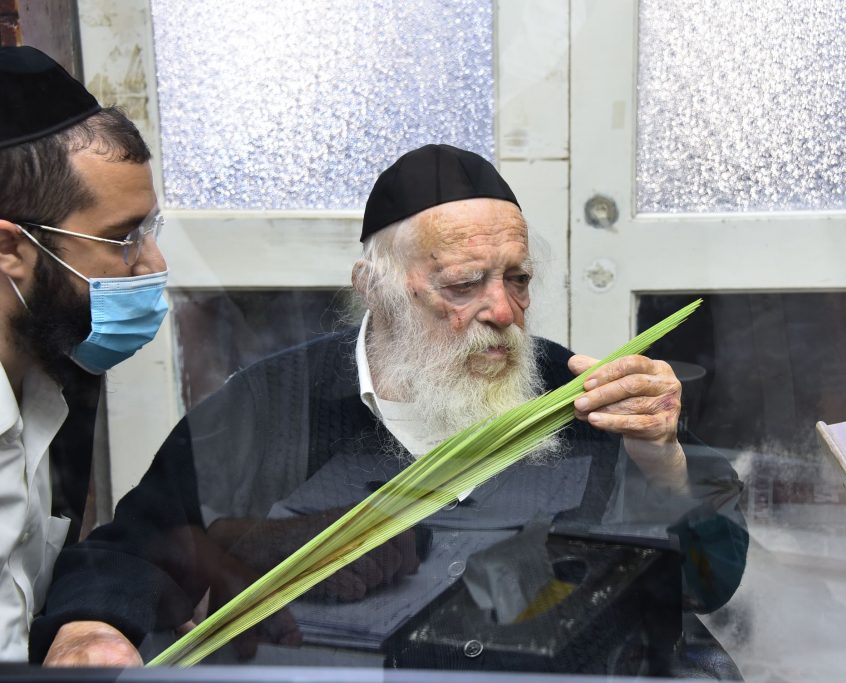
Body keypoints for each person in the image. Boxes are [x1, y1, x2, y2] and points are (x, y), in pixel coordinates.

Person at [34, 145, 747, 675]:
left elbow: (706, 585)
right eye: (464, 283)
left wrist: (667, 460)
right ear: (374, 289)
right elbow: (135, 550)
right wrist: (87, 629)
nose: (502, 310)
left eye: (518, 279)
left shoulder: (583, 399)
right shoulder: (272, 405)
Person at [0, 46, 168, 662]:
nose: (153, 265)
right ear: (9, 249)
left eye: (149, 231)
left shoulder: (54, 381)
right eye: (122, 238)